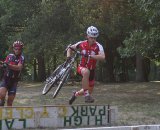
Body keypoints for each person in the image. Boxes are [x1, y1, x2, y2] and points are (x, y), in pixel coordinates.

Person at [67, 26, 105, 105]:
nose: (93, 39)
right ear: (87, 36)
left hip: (92, 70)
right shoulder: (81, 43)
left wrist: (91, 56)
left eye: (95, 37)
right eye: (91, 37)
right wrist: (68, 58)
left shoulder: (98, 46)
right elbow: (70, 48)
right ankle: (86, 95)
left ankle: (75, 94)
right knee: (86, 72)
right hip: (82, 67)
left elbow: (102, 57)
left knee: (90, 90)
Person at [0, 41, 25, 106]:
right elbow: (5, 65)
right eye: (16, 49)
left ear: (21, 49)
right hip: (5, 79)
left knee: (10, 102)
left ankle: (9, 116)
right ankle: (2, 101)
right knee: (1, 94)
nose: (17, 50)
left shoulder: (21, 57)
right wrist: (3, 65)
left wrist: (8, 65)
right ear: (13, 49)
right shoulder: (9, 56)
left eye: (19, 49)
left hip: (14, 81)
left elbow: (19, 67)